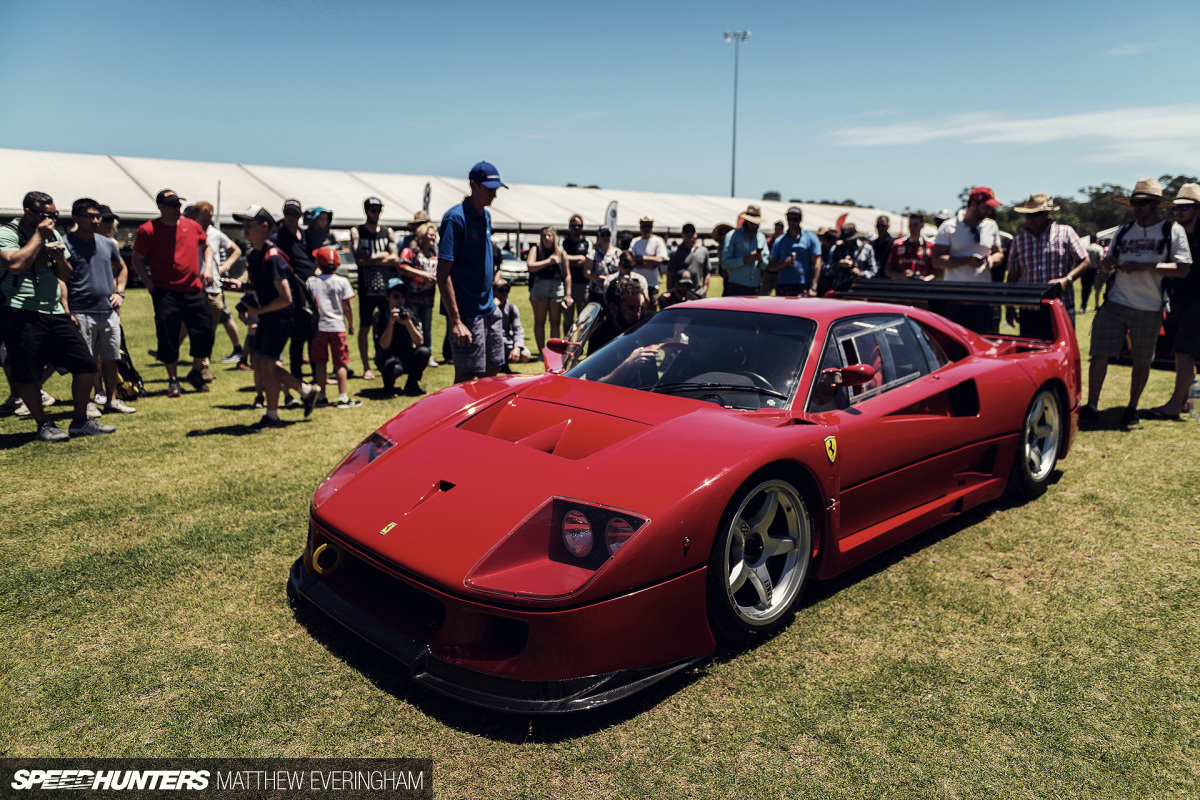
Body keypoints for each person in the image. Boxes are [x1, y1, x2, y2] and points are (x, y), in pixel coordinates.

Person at [0, 191, 116, 440]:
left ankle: (80, 421)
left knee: (86, 365)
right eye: (46, 215)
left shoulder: (53, 234)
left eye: (55, 214)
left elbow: (65, 275)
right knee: (28, 373)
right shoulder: (8, 233)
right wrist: (38, 236)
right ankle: (43, 424)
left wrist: (60, 259)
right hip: (20, 311)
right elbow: (15, 265)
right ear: (28, 212)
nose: (52, 219)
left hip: (55, 311)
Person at [1083, 178, 1192, 426]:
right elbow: (1106, 265)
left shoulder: (1171, 230)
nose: (1137, 207)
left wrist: (1147, 266)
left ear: (1155, 204)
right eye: (1134, 202)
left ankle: (1132, 406)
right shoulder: (1123, 231)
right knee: (1099, 354)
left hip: (1150, 306)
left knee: (1142, 361)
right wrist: (1106, 265)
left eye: (1142, 203)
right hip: (1116, 302)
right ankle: (1091, 406)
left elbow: (1183, 268)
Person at [228, 205, 320, 429]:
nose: (244, 228)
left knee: (268, 363)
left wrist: (258, 312)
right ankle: (306, 391)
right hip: (269, 315)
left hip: (281, 317)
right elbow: (262, 287)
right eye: (243, 224)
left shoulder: (273, 257)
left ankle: (272, 414)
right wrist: (241, 288)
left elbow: (286, 298)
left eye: (249, 224)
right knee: (259, 361)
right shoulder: (254, 254)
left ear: (264, 227)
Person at [130, 189, 215, 395]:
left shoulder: (192, 226)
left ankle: (195, 372)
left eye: (179, 204)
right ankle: (173, 380)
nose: (177, 208)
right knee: (168, 335)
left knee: (204, 332)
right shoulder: (148, 230)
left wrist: (208, 267)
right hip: (165, 292)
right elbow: (137, 259)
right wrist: (149, 284)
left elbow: (207, 247)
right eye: (172, 205)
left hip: (194, 290)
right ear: (161, 207)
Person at [64, 198, 135, 415]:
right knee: (85, 363)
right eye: (90, 217)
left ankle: (111, 400)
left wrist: (119, 292)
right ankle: (86, 403)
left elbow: (122, 268)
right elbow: (60, 278)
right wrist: (67, 309)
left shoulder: (107, 244)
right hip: (80, 312)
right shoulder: (65, 243)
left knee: (111, 359)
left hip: (107, 311)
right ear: (76, 218)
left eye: (98, 217)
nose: (96, 221)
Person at [437, 161, 506, 384]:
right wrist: (456, 321)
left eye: (496, 189)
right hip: (467, 312)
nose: (494, 195)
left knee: (493, 368)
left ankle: (487, 409)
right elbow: (442, 273)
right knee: (467, 377)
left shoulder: (486, 217)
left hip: (489, 308)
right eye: (489, 189)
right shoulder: (454, 218)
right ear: (473, 185)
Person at [1146, 183, 1200, 420]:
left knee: (1183, 352)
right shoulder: (1174, 233)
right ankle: (1192, 403)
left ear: (1197, 209)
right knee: (1184, 353)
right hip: (1176, 299)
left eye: (1184, 207)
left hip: (1197, 300)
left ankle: (1174, 405)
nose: (1178, 212)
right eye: (1176, 208)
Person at [1004, 193, 1090, 337]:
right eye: (1027, 215)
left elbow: (1085, 261)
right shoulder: (1018, 241)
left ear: (1046, 214)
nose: (1030, 219)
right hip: (1030, 309)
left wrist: (1067, 279)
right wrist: (1010, 307)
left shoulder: (1065, 232)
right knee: (1030, 350)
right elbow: (1012, 276)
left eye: (1035, 215)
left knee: (1062, 348)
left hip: (1060, 306)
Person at [932, 186, 1004, 333]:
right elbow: (937, 260)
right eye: (986, 207)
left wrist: (991, 259)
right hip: (955, 298)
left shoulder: (991, 226)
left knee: (980, 340)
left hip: (982, 298)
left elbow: (999, 254)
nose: (989, 211)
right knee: (956, 340)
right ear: (973, 204)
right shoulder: (949, 226)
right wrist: (967, 261)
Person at [351, 197, 400, 381]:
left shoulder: (388, 232)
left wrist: (372, 258)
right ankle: (366, 367)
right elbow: (359, 259)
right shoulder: (358, 231)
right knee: (365, 327)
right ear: (366, 211)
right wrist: (382, 256)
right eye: (372, 210)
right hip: (367, 288)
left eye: (378, 210)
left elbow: (395, 258)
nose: (376, 213)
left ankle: (387, 361)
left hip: (386, 289)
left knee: (388, 324)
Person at [306, 246, 360, 409]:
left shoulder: (311, 282)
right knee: (340, 363)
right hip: (337, 326)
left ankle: (321, 396)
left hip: (319, 327)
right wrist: (351, 324)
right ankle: (343, 397)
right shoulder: (342, 281)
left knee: (320, 362)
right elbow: (346, 307)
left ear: (318, 264)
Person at [191, 201, 244, 365]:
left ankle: (205, 361)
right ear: (195, 217)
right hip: (194, 288)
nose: (207, 223)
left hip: (213, 287)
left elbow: (236, 250)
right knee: (190, 324)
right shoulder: (189, 233)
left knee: (212, 326)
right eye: (203, 219)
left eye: (210, 219)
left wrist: (225, 267)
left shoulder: (215, 234)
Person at [374, 277, 430, 396]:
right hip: (387, 357)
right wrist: (391, 323)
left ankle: (412, 384)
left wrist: (408, 324)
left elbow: (419, 342)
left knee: (424, 352)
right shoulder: (380, 316)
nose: (400, 300)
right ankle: (389, 385)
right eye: (396, 296)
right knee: (394, 367)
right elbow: (384, 345)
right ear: (388, 296)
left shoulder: (410, 315)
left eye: (403, 296)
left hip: (406, 355)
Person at [398, 221, 439, 366]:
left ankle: (427, 354)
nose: (433, 237)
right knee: (411, 324)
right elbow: (402, 266)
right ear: (422, 235)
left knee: (426, 326)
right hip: (412, 296)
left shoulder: (435, 253)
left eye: (434, 235)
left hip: (428, 297)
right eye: (430, 235)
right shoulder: (411, 251)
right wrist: (422, 275)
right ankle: (409, 354)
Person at [525, 226, 571, 355]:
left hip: (557, 288)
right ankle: (542, 352)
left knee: (555, 322)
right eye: (544, 235)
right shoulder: (536, 249)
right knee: (540, 321)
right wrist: (547, 261)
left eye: (549, 235)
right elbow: (530, 266)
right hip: (540, 287)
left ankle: (554, 352)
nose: (547, 238)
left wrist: (568, 294)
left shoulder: (561, 252)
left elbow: (567, 275)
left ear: (554, 237)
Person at [767, 207, 822, 296]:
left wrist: (814, 286)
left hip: (803, 286)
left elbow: (817, 263)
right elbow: (771, 267)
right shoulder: (779, 241)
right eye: (789, 219)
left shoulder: (810, 238)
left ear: (800, 220)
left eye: (795, 219)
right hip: (783, 285)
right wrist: (783, 264)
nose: (792, 222)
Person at [589, 275, 648, 354]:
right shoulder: (599, 339)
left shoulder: (648, 322)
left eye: (639, 308)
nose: (637, 314)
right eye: (631, 308)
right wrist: (631, 360)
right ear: (613, 308)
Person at [721, 205, 768, 296]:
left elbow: (765, 265)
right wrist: (745, 259)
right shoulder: (732, 236)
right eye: (752, 223)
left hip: (756, 286)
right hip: (737, 286)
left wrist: (761, 260)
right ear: (746, 220)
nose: (754, 225)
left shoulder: (761, 237)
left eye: (757, 223)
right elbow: (725, 263)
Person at [885, 213, 936, 281]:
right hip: (903, 285)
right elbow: (888, 271)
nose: (912, 228)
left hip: (922, 286)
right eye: (910, 225)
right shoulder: (898, 244)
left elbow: (938, 272)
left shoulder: (931, 246)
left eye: (915, 225)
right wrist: (901, 276)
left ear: (922, 225)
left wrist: (925, 279)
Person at [827, 223, 877, 291]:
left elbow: (873, 271)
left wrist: (861, 273)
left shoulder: (867, 248)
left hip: (860, 290)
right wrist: (838, 264)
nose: (849, 242)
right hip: (839, 289)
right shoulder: (836, 248)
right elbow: (827, 271)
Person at [494, 277, 531, 370]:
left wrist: (517, 347)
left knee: (525, 355)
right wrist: (495, 309)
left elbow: (518, 329)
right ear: (493, 291)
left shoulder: (511, 308)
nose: (504, 294)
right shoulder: (487, 306)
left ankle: (504, 361)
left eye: (507, 290)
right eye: (501, 290)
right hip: (490, 340)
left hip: (505, 339)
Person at [666, 223, 710, 298]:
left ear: (696, 234)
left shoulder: (703, 251)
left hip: (698, 293)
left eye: (692, 231)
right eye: (686, 231)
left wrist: (704, 290)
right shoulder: (675, 252)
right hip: (681, 294)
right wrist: (671, 293)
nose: (689, 234)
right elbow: (670, 274)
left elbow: (707, 272)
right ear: (682, 234)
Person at [561, 214, 590, 329]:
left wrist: (567, 260)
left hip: (583, 285)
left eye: (579, 225)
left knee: (582, 319)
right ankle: (566, 340)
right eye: (573, 225)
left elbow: (586, 261)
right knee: (567, 319)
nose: (576, 228)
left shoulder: (587, 242)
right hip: (566, 285)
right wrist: (579, 258)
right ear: (569, 227)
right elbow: (560, 259)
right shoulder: (563, 242)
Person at [630, 216, 668, 301]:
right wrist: (650, 263)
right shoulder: (635, 242)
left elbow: (659, 260)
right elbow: (632, 260)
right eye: (644, 226)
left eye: (649, 226)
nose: (646, 229)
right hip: (636, 283)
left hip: (652, 283)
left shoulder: (658, 241)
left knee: (652, 305)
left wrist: (641, 258)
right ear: (640, 227)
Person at [583, 226, 619, 305]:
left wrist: (612, 278)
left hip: (613, 291)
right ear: (599, 237)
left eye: (608, 235)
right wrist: (601, 278)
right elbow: (587, 273)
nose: (606, 238)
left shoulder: (618, 253)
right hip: (597, 292)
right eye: (603, 235)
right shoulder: (592, 253)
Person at [762, 220, 786, 296]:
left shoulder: (785, 241)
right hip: (768, 271)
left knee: (779, 294)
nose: (777, 231)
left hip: (779, 272)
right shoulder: (769, 241)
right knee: (764, 293)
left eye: (779, 229)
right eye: (776, 229)